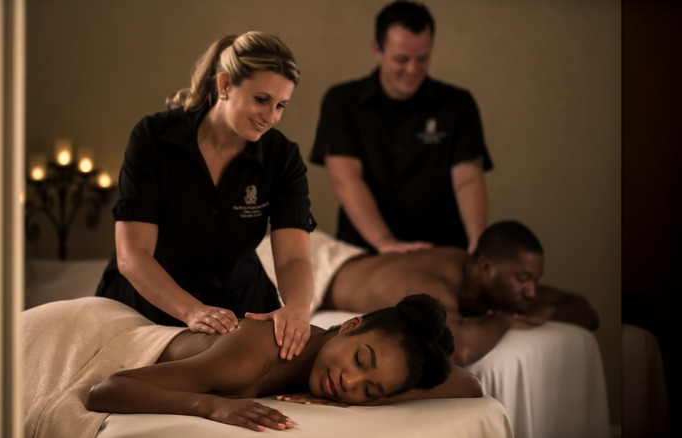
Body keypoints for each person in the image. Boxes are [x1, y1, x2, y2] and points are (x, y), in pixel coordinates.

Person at [95, 31, 317, 361]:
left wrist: (297, 310)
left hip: (242, 309)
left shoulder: (281, 158)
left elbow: (293, 258)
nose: (270, 117)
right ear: (225, 85)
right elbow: (133, 255)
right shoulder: (154, 139)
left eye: (280, 105)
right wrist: (193, 312)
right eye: (261, 100)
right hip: (146, 309)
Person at [80, 293, 482, 432]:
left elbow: (469, 385)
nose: (349, 382)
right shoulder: (253, 354)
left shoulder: (328, 367)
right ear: (351, 324)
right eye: (361, 359)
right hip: (84, 339)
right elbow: (108, 390)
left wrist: (383, 391)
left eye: (369, 390)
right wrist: (212, 406)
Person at [310, 1, 492, 255]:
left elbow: (468, 177)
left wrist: (478, 245)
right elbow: (346, 179)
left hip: (442, 247)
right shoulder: (342, 102)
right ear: (377, 49)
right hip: (367, 252)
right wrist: (386, 242)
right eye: (401, 59)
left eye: (422, 58)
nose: (412, 69)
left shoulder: (457, 104)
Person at [318, 220, 599, 366]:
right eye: (523, 279)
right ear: (487, 268)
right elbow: (459, 350)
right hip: (318, 270)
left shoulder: (487, 279)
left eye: (535, 281)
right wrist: (505, 320)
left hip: (351, 258)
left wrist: (545, 310)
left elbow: (586, 311)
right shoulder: (436, 283)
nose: (531, 292)